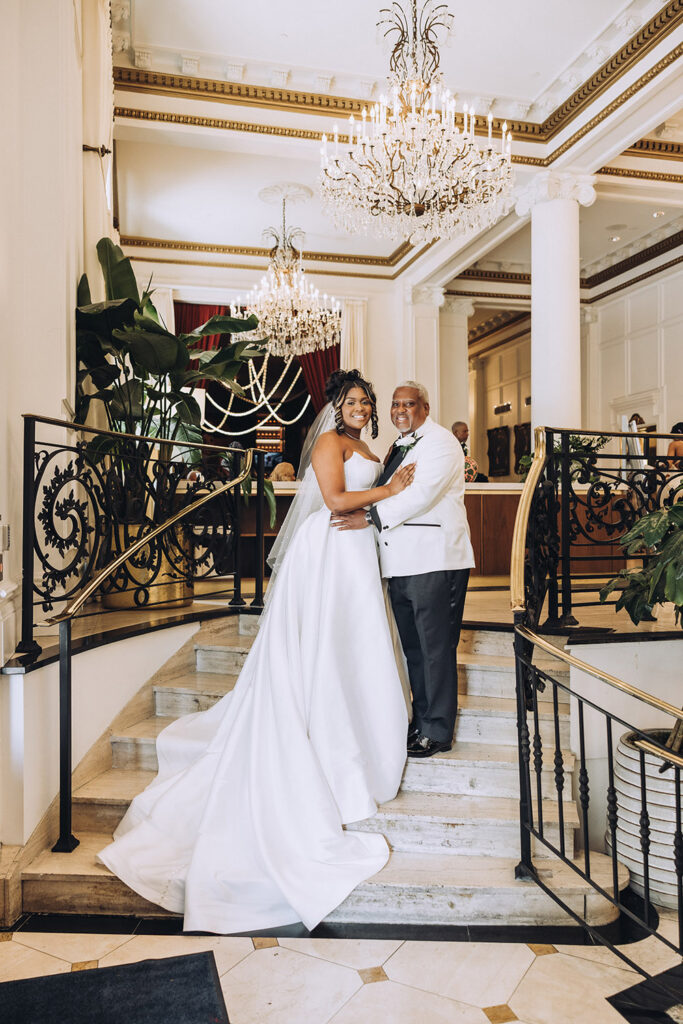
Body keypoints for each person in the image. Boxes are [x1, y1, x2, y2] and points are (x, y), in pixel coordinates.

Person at [98, 370, 413, 934]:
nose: (363, 407)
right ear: (334, 406)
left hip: (357, 552)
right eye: (353, 401)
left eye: (367, 400)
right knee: (325, 649)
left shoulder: (367, 444)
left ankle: (364, 733)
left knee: (355, 647)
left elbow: (356, 504)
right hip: (328, 554)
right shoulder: (327, 442)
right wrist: (388, 492)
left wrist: (378, 505)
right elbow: (336, 497)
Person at [333, 382, 475, 759]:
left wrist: (370, 516)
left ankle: (438, 730)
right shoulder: (398, 445)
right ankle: (422, 720)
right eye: (395, 404)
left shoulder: (442, 442)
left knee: (435, 649)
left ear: (425, 407)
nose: (400, 410)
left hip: (435, 560)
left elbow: (421, 494)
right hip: (401, 563)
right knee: (414, 648)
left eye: (408, 404)